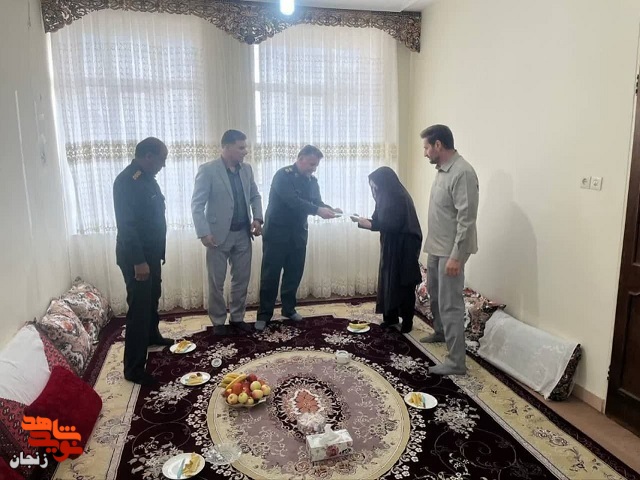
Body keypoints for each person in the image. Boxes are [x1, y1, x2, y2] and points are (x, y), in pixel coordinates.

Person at [255, 145, 341, 331]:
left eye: (316, 165)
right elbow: (293, 201)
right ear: (300, 158)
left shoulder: (312, 181)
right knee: (270, 275)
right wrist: (318, 210)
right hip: (277, 234)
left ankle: (289, 309)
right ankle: (264, 314)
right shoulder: (283, 176)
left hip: (298, 234)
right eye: (311, 164)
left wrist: (330, 209)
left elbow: (316, 202)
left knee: (294, 273)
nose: (313, 169)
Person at [419, 124, 479, 376]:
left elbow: (467, 219)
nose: (425, 153)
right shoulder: (442, 171)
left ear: (438, 145)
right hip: (436, 247)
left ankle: (456, 362)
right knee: (434, 295)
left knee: (450, 304)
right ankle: (441, 332)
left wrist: (457, 256)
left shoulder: (462, 172)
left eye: (426, 147)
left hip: (450, 252)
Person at [191, 130, 263, 335]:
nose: (245, 151)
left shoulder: (247, 170)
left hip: (243, 233)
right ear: (227, 147)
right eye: (241, 147)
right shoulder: (208, 170)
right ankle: (218, 321)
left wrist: (258, 218)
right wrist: (203, 232)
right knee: (216, 281)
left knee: (241, 279)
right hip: (217, 235)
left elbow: (255, 196)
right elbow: (197, 205)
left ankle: (237, 318)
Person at [113, 137, 171, 386]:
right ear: (148, 156)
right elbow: (127, 226)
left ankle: (151, 335)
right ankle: (134, 368)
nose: (163, 165)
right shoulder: (127, 181)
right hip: (136, 258)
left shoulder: (146, 178)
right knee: (138, 309)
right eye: (162, 159)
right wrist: (139, 262)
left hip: (151, 254)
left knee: (152, 297)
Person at [351, 167, 422, 333]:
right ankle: (390, 318)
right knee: (388, 280)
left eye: (375, 186)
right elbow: (379, 220)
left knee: (404, 283)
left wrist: (368, 224)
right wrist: (362, 220)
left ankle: (407, 321)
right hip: (391, 244)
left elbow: (392, 224)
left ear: (384, 184)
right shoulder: (384, 197)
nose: (373, 190)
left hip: (405, 246)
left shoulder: (399, 197)